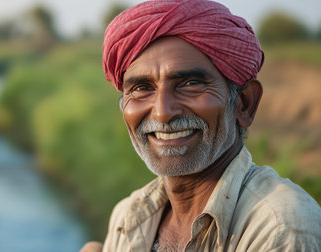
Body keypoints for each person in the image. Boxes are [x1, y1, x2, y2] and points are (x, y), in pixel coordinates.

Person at [80, 0, 321, 251]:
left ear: (244, 104)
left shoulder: (280, 226)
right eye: (142, 88)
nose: (163, 113)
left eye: (191, 83)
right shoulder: (130, 216)